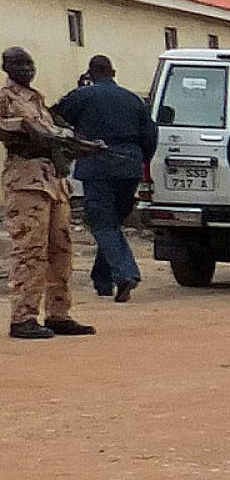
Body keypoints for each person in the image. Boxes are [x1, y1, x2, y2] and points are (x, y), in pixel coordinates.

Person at [0, 47, 96, 339]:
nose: (27, 69)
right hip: (26, 181)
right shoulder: (6, 98)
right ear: (6, 67)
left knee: (60, 249)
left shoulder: (38, 100)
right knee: (30, 248)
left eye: (29, 63)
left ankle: (58, 313)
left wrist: (80, 146)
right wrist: (25, 128)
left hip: (54, 181)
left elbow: (57, 134)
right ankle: (23, 317)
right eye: (19, 63)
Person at [52, 55, 158, 302]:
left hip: (97, 165)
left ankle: (125, 274)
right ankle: (102, 280)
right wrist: (140, 161)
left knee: (103, 224)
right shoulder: (133, 99)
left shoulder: (82, 95)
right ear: (114, 72)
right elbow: (151, 136)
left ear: (90, 73)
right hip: (129, 167)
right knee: (111, 225)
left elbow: (53, 116)